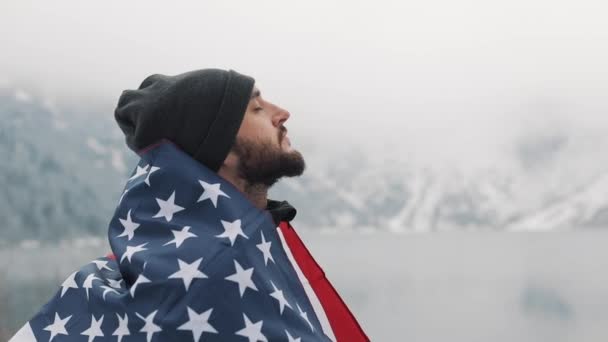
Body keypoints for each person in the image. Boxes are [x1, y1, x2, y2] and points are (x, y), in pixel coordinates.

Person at [10, 69, 369, 342]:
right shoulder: (219, 275)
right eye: (258, 109)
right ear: (222, 149)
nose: (282, 113)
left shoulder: (132, 269)